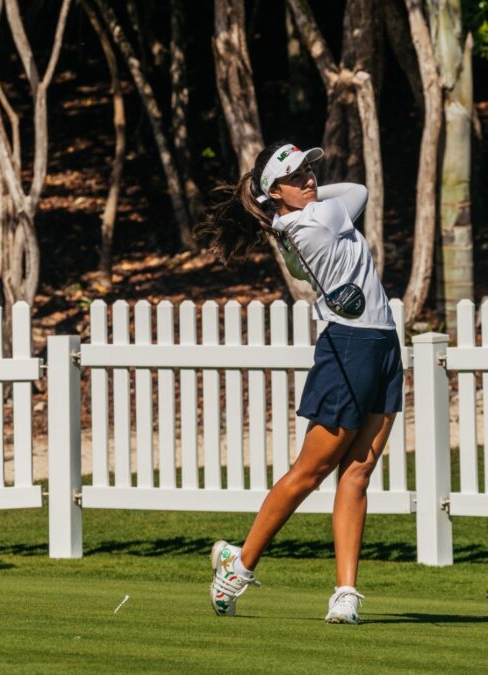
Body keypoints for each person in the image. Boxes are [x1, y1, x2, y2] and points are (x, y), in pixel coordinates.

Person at [195, 141, 402, 624]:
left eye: (309, 170)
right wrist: (286, 201)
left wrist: (278, 199)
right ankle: (238, 566)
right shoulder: (315, 221)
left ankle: (346, 593)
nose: (309, 178)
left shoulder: (300, 219)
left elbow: (352, 191)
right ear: (274, 192)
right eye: (296, 177)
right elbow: (358, 190)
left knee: (358, 472)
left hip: (382, 342)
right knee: (311, 472)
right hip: (350, 348)